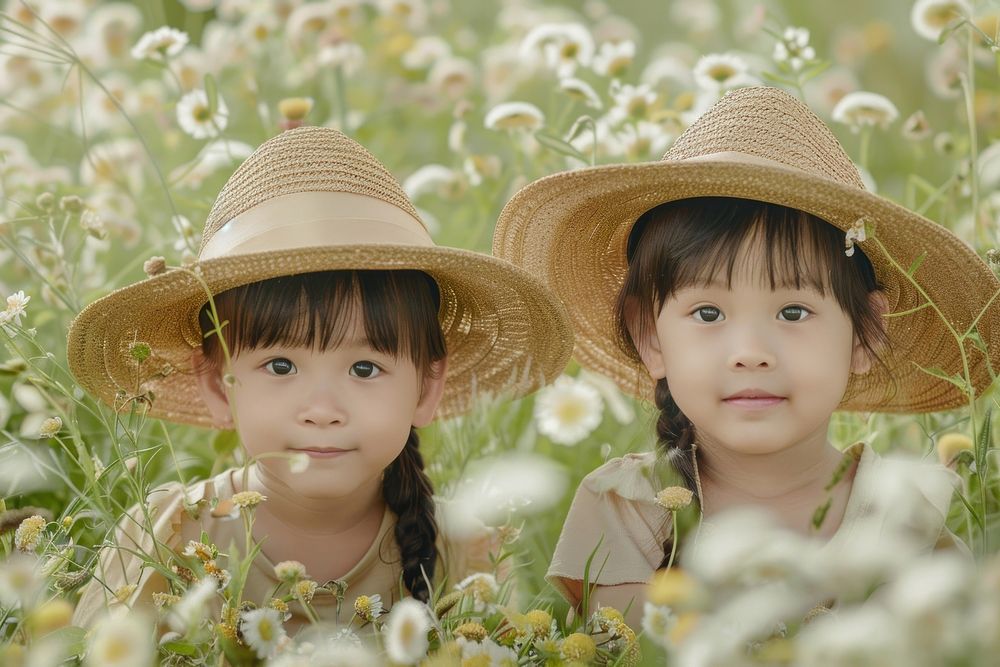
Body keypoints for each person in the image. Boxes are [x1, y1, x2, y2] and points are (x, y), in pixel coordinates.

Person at [493, 86, 999, 627]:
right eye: (709, 314)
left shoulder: (905, 515)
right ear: (651, 338)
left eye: (794, 312)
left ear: (863, 335)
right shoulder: (626, 508)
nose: (752, 354)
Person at [69, 126, 573, 631]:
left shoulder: (463, 554)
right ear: (219, 385)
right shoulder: (169, 538)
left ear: (426, 387)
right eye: (281, 366)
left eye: (364, 368)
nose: (323, 408)